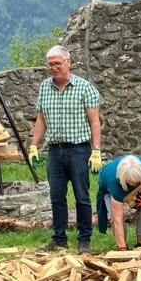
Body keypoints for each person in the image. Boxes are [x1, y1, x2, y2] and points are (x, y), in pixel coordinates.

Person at [29, 45, 102, 255]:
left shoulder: (84, 87)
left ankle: (84, 240)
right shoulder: (45, 87)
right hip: (54, 151)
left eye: (57, 63)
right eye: (50, 64)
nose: (54, 68)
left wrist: (95, 150)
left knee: (81, 196)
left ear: (68, 62)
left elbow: (94, 121)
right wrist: (34, 145)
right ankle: (59, 238)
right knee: (56, 196)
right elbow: (41, 118)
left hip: (78, 150)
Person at [96, 154, 141, 250]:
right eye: (130, 182)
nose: (132, 184)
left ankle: (140, 245)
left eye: (135, 182)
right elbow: (117, 219)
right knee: (114, 215)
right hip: (113, 186)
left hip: (140, 185)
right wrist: (122, 248)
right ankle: (122, 244)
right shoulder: (113, 180)